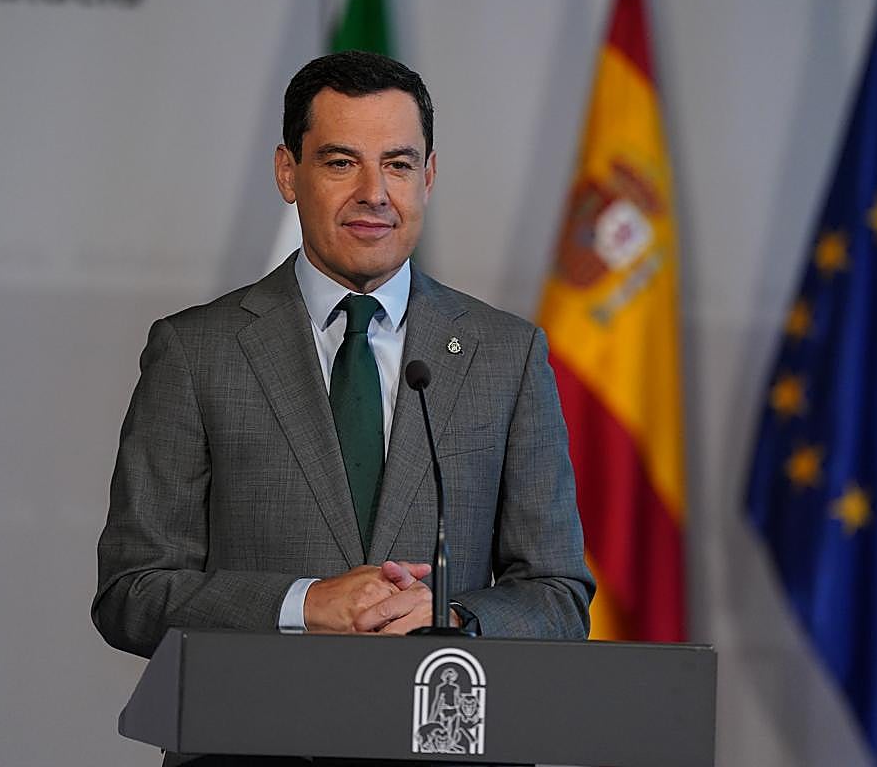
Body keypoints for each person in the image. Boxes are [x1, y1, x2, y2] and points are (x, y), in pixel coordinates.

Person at [92, 51, 593, 664]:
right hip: (255, 744)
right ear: (287, 172)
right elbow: (131, 592)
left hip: (435, 739)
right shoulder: (196, 352)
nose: (374, 194)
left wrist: (451, 619)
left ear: (428, 176)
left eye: (398, 164)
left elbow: (559, 596)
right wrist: (304, 605)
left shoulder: (507, 356)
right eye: (340, 163)